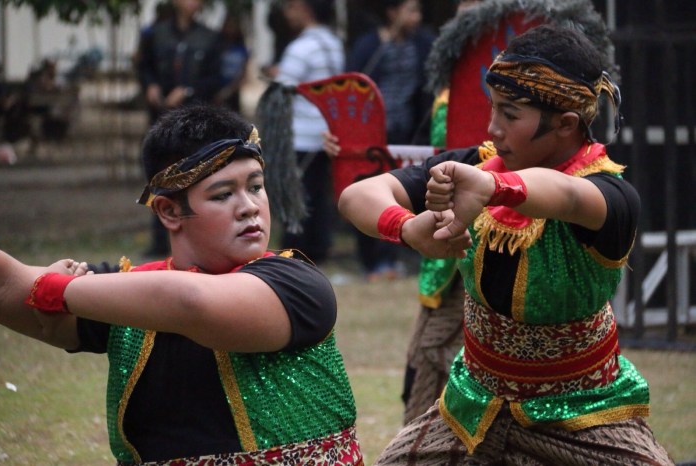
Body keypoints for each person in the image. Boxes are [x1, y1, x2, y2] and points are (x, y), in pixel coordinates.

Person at [339, 24, 674, 465]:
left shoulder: (610, 196)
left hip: (585, 414)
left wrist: (494, 187)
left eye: (511, 114)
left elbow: (567, 195)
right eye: (493, 108)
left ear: (566, 123)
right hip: (472, 407)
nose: (493, 127)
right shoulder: (471, 167)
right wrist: (407, 228)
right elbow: (357, 196)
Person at [0, 104, 363, 465]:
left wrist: (57, 291)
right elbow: (5, 286)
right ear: (169, 212)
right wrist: (55, 291)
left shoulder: (297, 283)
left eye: (256, 186)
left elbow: (190, 302)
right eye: (223, 194)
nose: (249, 206)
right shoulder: (123, 294)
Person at [346, 0, 435, 281]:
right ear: (392, 12)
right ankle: (373, 261)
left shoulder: (423, 44)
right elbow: (351, 85)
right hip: (372, 134)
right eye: (410, 11)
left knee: (401, 193)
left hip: (407, 131)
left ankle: (398, 256)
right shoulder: (369, 46)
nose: (417, 17)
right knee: (369, 191)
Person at [136, 0, 221, 258]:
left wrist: (187, 92)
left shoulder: (209, 38)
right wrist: (150, 85)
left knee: (192, 177)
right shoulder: (155, 33)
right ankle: (160, 241)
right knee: (159, 177)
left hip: (193, 122)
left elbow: (215, 79)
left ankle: (194, 238)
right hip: (160, 119)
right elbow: (143, 66)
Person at [263, 0, 344, 265]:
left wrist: (274, 75)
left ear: (303, 7)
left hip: (301, 134)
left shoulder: (301, 47)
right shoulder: (333, 42)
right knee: (318, 195)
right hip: (325, 133)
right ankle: (318, 249)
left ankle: (295, 251)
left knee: (296, 195)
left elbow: (282, 89)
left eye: (290, 7)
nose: (288, 13)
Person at [213, 12, 249, 114]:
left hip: (233, 91)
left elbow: (244, 72)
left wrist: (230, 90)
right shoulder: (217, 46)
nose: (231, 29)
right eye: (229, 25)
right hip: (217, 90)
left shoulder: (241, 48)